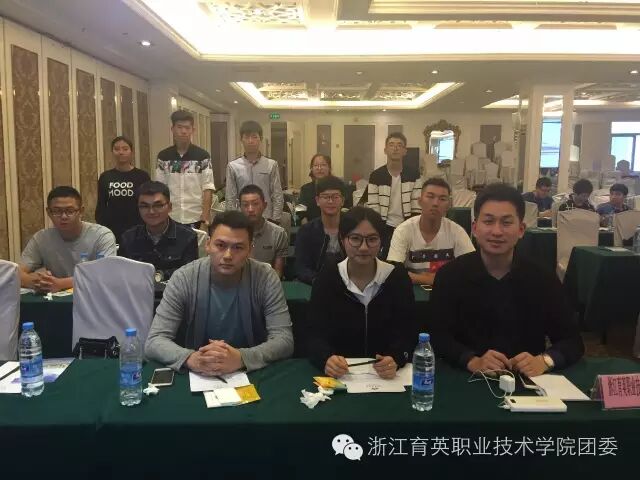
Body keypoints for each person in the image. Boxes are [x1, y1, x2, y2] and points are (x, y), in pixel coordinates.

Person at [430, 184, 584, 377]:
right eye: (488, 221)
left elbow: (572, 341)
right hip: (465, 378)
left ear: (521, 229)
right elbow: (439, 337)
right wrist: (472, 360)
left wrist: (544, 360)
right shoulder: (450, 276)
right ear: (475, 228)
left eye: (506, 222)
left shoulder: (541, 277)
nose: (496, 231)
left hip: (526, 380)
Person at [145, 211, 294, 373]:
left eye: (238, 247)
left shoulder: (266, 277)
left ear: (250, 250)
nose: (228, 255)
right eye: (221, 245)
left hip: (249, 373)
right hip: (198, 371)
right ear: (208, 245)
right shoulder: (184, 278)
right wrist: (191, 358)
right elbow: (155, 340)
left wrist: (242, 358)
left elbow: (284, 340)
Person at [307, 207, 415, 379]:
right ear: (342, 239)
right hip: (341, 376)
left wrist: (396, 358)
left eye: (372, 239)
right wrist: (326, 359)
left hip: (385, 377)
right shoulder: (328, 277)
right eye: (355, 239)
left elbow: (408, 333)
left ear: (381, 241)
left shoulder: (396, 277)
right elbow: (314, 335)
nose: (364, 247)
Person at [19, 186, 117, 293]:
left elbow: (106, 274)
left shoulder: (102, 235)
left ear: (81, 211)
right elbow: (17, 273)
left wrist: (60, 284)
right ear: (48, 212)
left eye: (70, 211)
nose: (64, 216)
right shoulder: (41, 238)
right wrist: (37, 282)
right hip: (56, 299)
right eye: (57, 211)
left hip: (92, 296)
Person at [387, 177, 474, 286]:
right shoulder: (403, 231)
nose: (435, 203)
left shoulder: (457, 232)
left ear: (448, 205)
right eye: (430, 197)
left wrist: (418, 277)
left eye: (442, 199)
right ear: (420, 201)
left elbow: (472, 270)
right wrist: (431, 279)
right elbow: (392, 272)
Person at [119, 181, 198, 281]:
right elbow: (121, 274)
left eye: (158, 205)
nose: (151, 211)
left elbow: (190, 275)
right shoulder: (128, 238)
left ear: (170, 207)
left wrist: (159, 276)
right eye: (145, 206)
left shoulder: (188, 237)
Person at [155, 110, 215, 229]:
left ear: (193, 130)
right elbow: (160, 188)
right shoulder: (164, 157)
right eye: (179, 127)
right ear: (172, 129)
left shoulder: (202, 156)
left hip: (196, 217)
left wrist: (205, 219)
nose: (183, 131)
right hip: (170, 217)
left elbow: (207, 188)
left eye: (187, 128)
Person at [366, 132, 421, 258]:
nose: (395, 148)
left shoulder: (414, 174)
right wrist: (378, 229)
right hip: (384, 227)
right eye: (391, 145)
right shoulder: (376, 176)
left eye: (399, 145)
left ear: (405, 151)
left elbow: (417, 205)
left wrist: (412, 227)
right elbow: (373, 207)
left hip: (407, 226)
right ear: (385, 150)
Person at [225, 121, 284, 224]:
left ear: (260, 139)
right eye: (247, 137)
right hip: (242, 220)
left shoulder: (271, 165)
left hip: (266, 219)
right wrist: (232, 221)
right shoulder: (233, 166)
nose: (250, 141)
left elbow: (277, 195)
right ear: (241, 139)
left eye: (254, 137)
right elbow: (230, 198)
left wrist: (275, 220)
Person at [95, 136, 150, 243]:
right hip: (112, 229)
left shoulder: (142, 176)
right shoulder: (105, 177)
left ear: (131, 152)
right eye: (117, 149)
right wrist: (102, 228)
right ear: (112, 152)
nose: (121, 152)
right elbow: (101, 205)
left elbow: (147, 204)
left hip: (137, 228)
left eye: (125, 149)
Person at [294, 176, 346, 284]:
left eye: (335, 197)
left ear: (342, 201)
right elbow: (301, 267)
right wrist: (319, 281)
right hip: (315, 285)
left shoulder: (353, 228)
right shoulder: (306, 231)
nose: (330, 201)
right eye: (325, 197)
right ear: (317, 200)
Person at [239, 184, 288, 278]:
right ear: (240, 207)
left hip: (268, 282)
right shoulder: (233, 233)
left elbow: (278, 273)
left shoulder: (278, 233)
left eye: (255, 204)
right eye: (245, 205)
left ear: (264, 205)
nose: (250, 209)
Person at [298, 153, 332, 222]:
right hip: (311, 225)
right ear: (311, 169)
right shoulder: (305, 189)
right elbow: (300, 210)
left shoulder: (337, 187)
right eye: (316, 165)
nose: (319, 168)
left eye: (323, 165)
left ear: (329, 168)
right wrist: (305, 224)